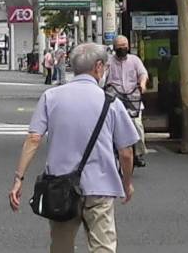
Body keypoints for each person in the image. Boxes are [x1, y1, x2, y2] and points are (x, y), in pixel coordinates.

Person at [9, 42, 138, 253]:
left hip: (61, 187)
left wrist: (18, 179)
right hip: (100, 187)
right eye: (105, 67)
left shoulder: (51, 97)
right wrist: (127, 182)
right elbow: (126, 151)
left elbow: (34, 139)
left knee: (61, 246)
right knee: (103, 247)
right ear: (98, 67)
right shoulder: (111, 103)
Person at [105, 35, 148, 167]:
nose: (122, 48)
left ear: (128, 46)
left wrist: (142, 84)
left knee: (137, 125)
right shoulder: (108, 62)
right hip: (114, 98)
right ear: (114, 47)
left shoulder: (135, 60)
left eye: (124, 46)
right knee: (109, 126)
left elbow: (143, 74)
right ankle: (109, 153)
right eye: (119, 46)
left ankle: (139, 153)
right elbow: (102, 77)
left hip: (133, 98)